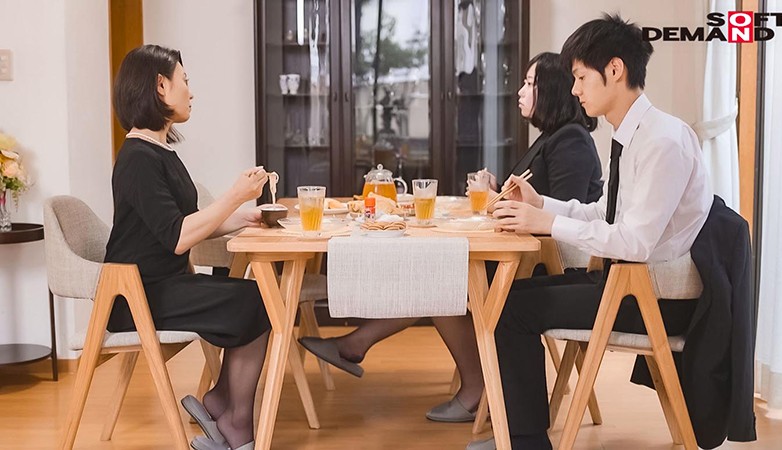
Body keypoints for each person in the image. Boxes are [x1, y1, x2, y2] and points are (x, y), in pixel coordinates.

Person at [299, 52, 604, 424]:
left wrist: (505, 200)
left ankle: (471, 386)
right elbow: (534, 201)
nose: (520, 92)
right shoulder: (552, 137)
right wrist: (496, 191)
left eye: (529, 83)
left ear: (551, 90)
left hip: (546, 263)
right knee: (435, 271)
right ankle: (357, 346)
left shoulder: (570, 140)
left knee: (439, 276)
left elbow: (560, 212)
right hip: (525, 252)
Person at [465, 14, 713, 450]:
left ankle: (524, 441)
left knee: (509, 310)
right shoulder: (634, 134)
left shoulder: (662, 141)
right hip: (626, 282)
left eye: (580, 77)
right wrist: (542, 205)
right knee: (504, 299)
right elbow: (605, 212)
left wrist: (547, 224)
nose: (575, 89)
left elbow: (635, 242)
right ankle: (518, 434)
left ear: (615, 70)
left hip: (651, 298)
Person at [105, 45, 269, 450]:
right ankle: (233, 418)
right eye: (185, 81)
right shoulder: (137, 159)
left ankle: (222, 404)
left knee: (258, 295)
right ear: (161, 86)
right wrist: (233, 196)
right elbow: (178, 236)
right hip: (137, 295)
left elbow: (189, 222)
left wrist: (243, 217)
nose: (191, 92)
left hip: (164, 283)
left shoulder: (159, 152)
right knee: (258, 300)